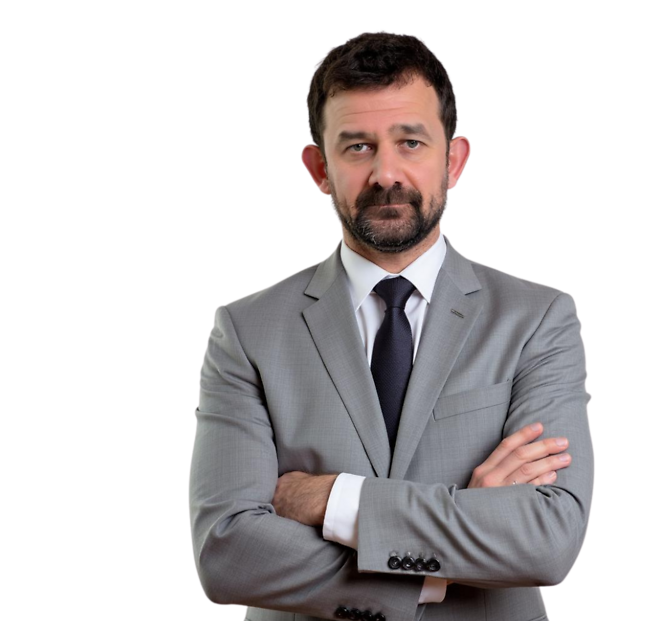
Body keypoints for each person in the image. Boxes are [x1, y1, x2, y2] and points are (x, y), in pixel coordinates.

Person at [189, 30, 594, 621]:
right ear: (318, 169)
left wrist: (334, 499)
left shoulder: (539, 319)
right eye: (358, 147)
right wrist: (452, 548)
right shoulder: (245, 331)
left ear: (454, 161)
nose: (386, 173)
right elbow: (227, 554)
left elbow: (550, 540)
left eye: (411, 142)